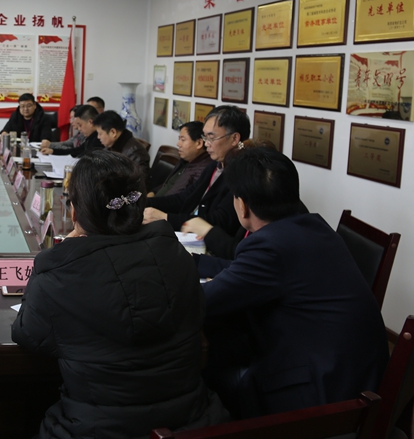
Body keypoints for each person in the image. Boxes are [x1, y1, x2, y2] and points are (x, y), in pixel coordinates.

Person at [12, 151, 226, 438]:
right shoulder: (176, 253)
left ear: (75, 212)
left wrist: (53, 260)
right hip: (192, 423)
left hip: (94, 429)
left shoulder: (61, 272)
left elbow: (27, 333)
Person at [198, 148, 389, 419]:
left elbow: (202, 301)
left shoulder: (271, 247)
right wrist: (196, 263)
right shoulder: (311, 228)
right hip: (354, 375)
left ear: (242, 205)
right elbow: (246, 273)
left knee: (204, 371)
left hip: (322, 394)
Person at [143, 106, 249, 238]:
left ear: (234, 139)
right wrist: (146, 202)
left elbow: (221, 220)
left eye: (211, 138)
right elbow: (185, 197)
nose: (206, 144)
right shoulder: (214, 166)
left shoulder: (242, 174)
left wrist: (166, 217)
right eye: (205, 137)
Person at [149, 121, 211, 198]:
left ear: (199, 143)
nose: (178, 144)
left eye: (183, 140)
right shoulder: (186, 160)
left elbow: (180, 201)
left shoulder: (202, 171)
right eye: (179, 139)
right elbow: (168, 185)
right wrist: (152, 193)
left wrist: (151, 202)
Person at [93, 110, 150, 176]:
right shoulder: (112, 145)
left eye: (100, 133)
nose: (98, 137)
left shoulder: (135, 152)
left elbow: (138, 179)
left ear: (113, 132)